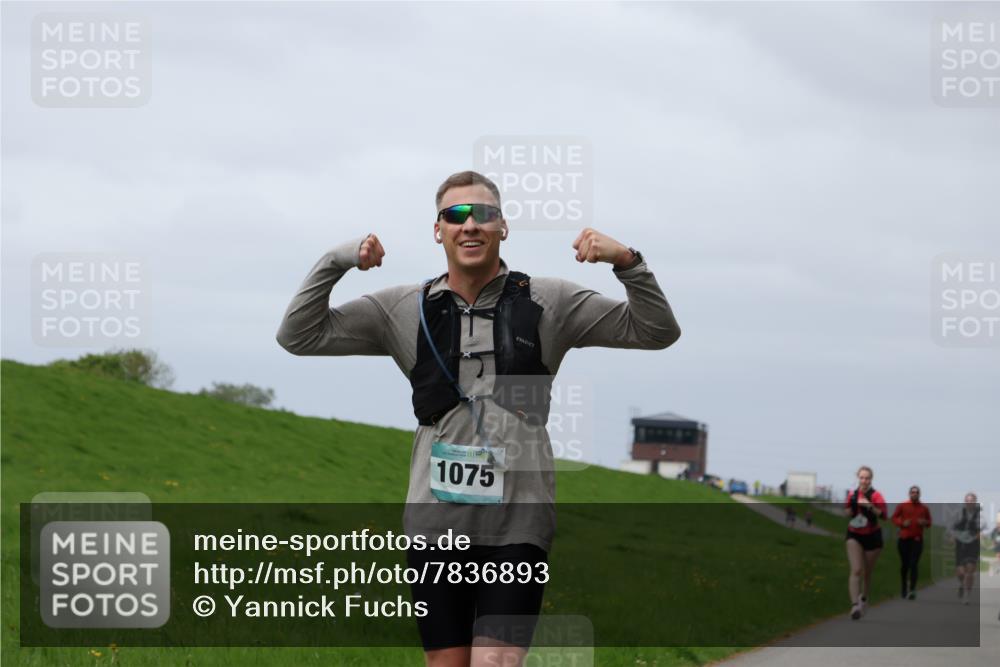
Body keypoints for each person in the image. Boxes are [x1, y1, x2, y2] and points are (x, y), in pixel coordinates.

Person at [275, 171, 681, 667]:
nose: (470, 226)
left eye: (484, 214)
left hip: (519, 526)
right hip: (433, 527)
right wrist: (338, 259)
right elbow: (298, 335)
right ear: (438, 229)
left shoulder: (550, 300)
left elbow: (657, 330)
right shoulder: (402, 308)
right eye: (456, 215)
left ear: (503, 227)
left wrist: (627, 262)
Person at [844, 465, 888, 620]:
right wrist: (851, 508)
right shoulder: (852, 494)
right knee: (856, 570)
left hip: (872, 536)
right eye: (862, 477)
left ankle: (864, 598)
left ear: (871, 479)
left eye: (867, 478)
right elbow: (847, 511)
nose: (864, 480)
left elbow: (884, 515)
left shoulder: (876, 495)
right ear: (858, 478)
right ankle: (854, 605)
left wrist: (868, 505)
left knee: (867, 572)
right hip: (854, 534)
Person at [891, 485, 932, 600]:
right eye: (912, 492)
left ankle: (912, 590)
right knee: (905, 565)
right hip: (904, 539)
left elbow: (929, 522)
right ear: (909, 494)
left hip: (917, 540)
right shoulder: (902, 505)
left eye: (917, 492)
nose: (914, 494)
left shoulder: (924, 508)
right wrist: (902, 523)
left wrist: (924, 522)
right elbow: (894, 518)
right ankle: (904, 586)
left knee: (913, 564)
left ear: (919, 494)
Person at [951, 492, 981, 605]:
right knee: (960, 573)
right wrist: (953, 537)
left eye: (972, 501)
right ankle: (961, 584)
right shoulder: (959, 513)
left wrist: (979, 535)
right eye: (967, 501)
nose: (969, 503)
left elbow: (983, 529)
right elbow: (953, 527)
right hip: (960, 544)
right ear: (965, 502)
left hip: (973, 545)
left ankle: (967, 595)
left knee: (970, 571)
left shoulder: (980, 515)